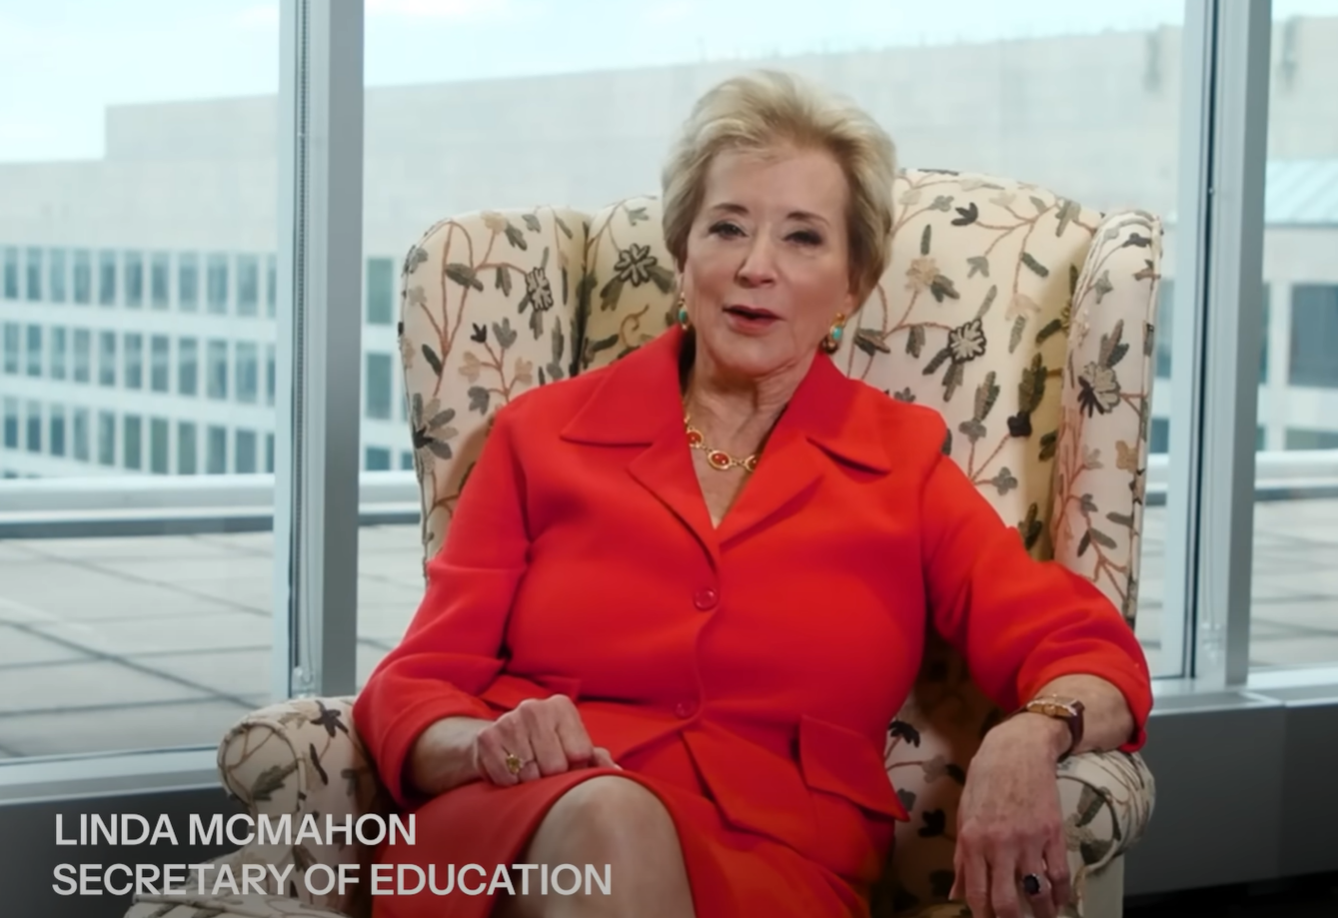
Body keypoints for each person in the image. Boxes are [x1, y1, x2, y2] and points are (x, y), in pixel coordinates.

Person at [354, 69, 1152, 918]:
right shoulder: (539, 436)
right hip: (521, 828)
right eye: (727, 227)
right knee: (610, 818)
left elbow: (1088, 651)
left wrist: (1032, 733)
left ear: (853, 284)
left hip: (775, 867)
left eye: (803, 238)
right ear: (684, 253)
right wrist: (487, 745)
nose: (755, 266)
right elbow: (413, 686)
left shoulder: (904, 466)